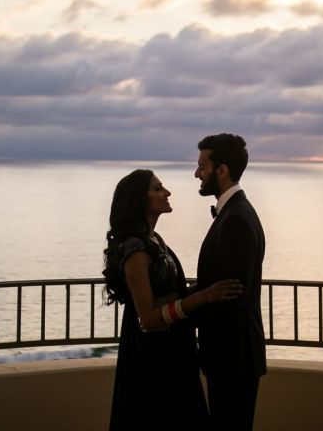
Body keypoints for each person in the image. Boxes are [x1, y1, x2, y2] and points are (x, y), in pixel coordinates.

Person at [103, 168, 243, 431]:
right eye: (157, 188)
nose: (166, 193)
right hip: (152, 360)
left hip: (173, 350)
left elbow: (171, 295)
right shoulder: (135, 251)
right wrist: (201, 297)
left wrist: (210, 287)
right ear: (139, 200)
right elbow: (148, 318)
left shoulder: (154, 240)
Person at [194, 133, 266, 430]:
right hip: (231, 356)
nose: (197, 173)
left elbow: (230, 295)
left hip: (232, 358)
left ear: (221, 170)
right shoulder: (235, 213)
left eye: (202, 166)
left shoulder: (236, 219)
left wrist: (176, 312)